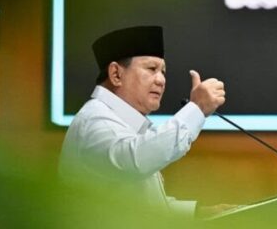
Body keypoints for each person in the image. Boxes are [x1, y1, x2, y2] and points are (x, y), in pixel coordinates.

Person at [59, 25, 228, 218]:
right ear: (116, 74)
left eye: (163, 72)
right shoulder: (95, 120)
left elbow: (134, 204)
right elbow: (135, 161)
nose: (161, 80)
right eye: (151, 69)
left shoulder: (128, 123)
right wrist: (196, 109)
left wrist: (197, 212)